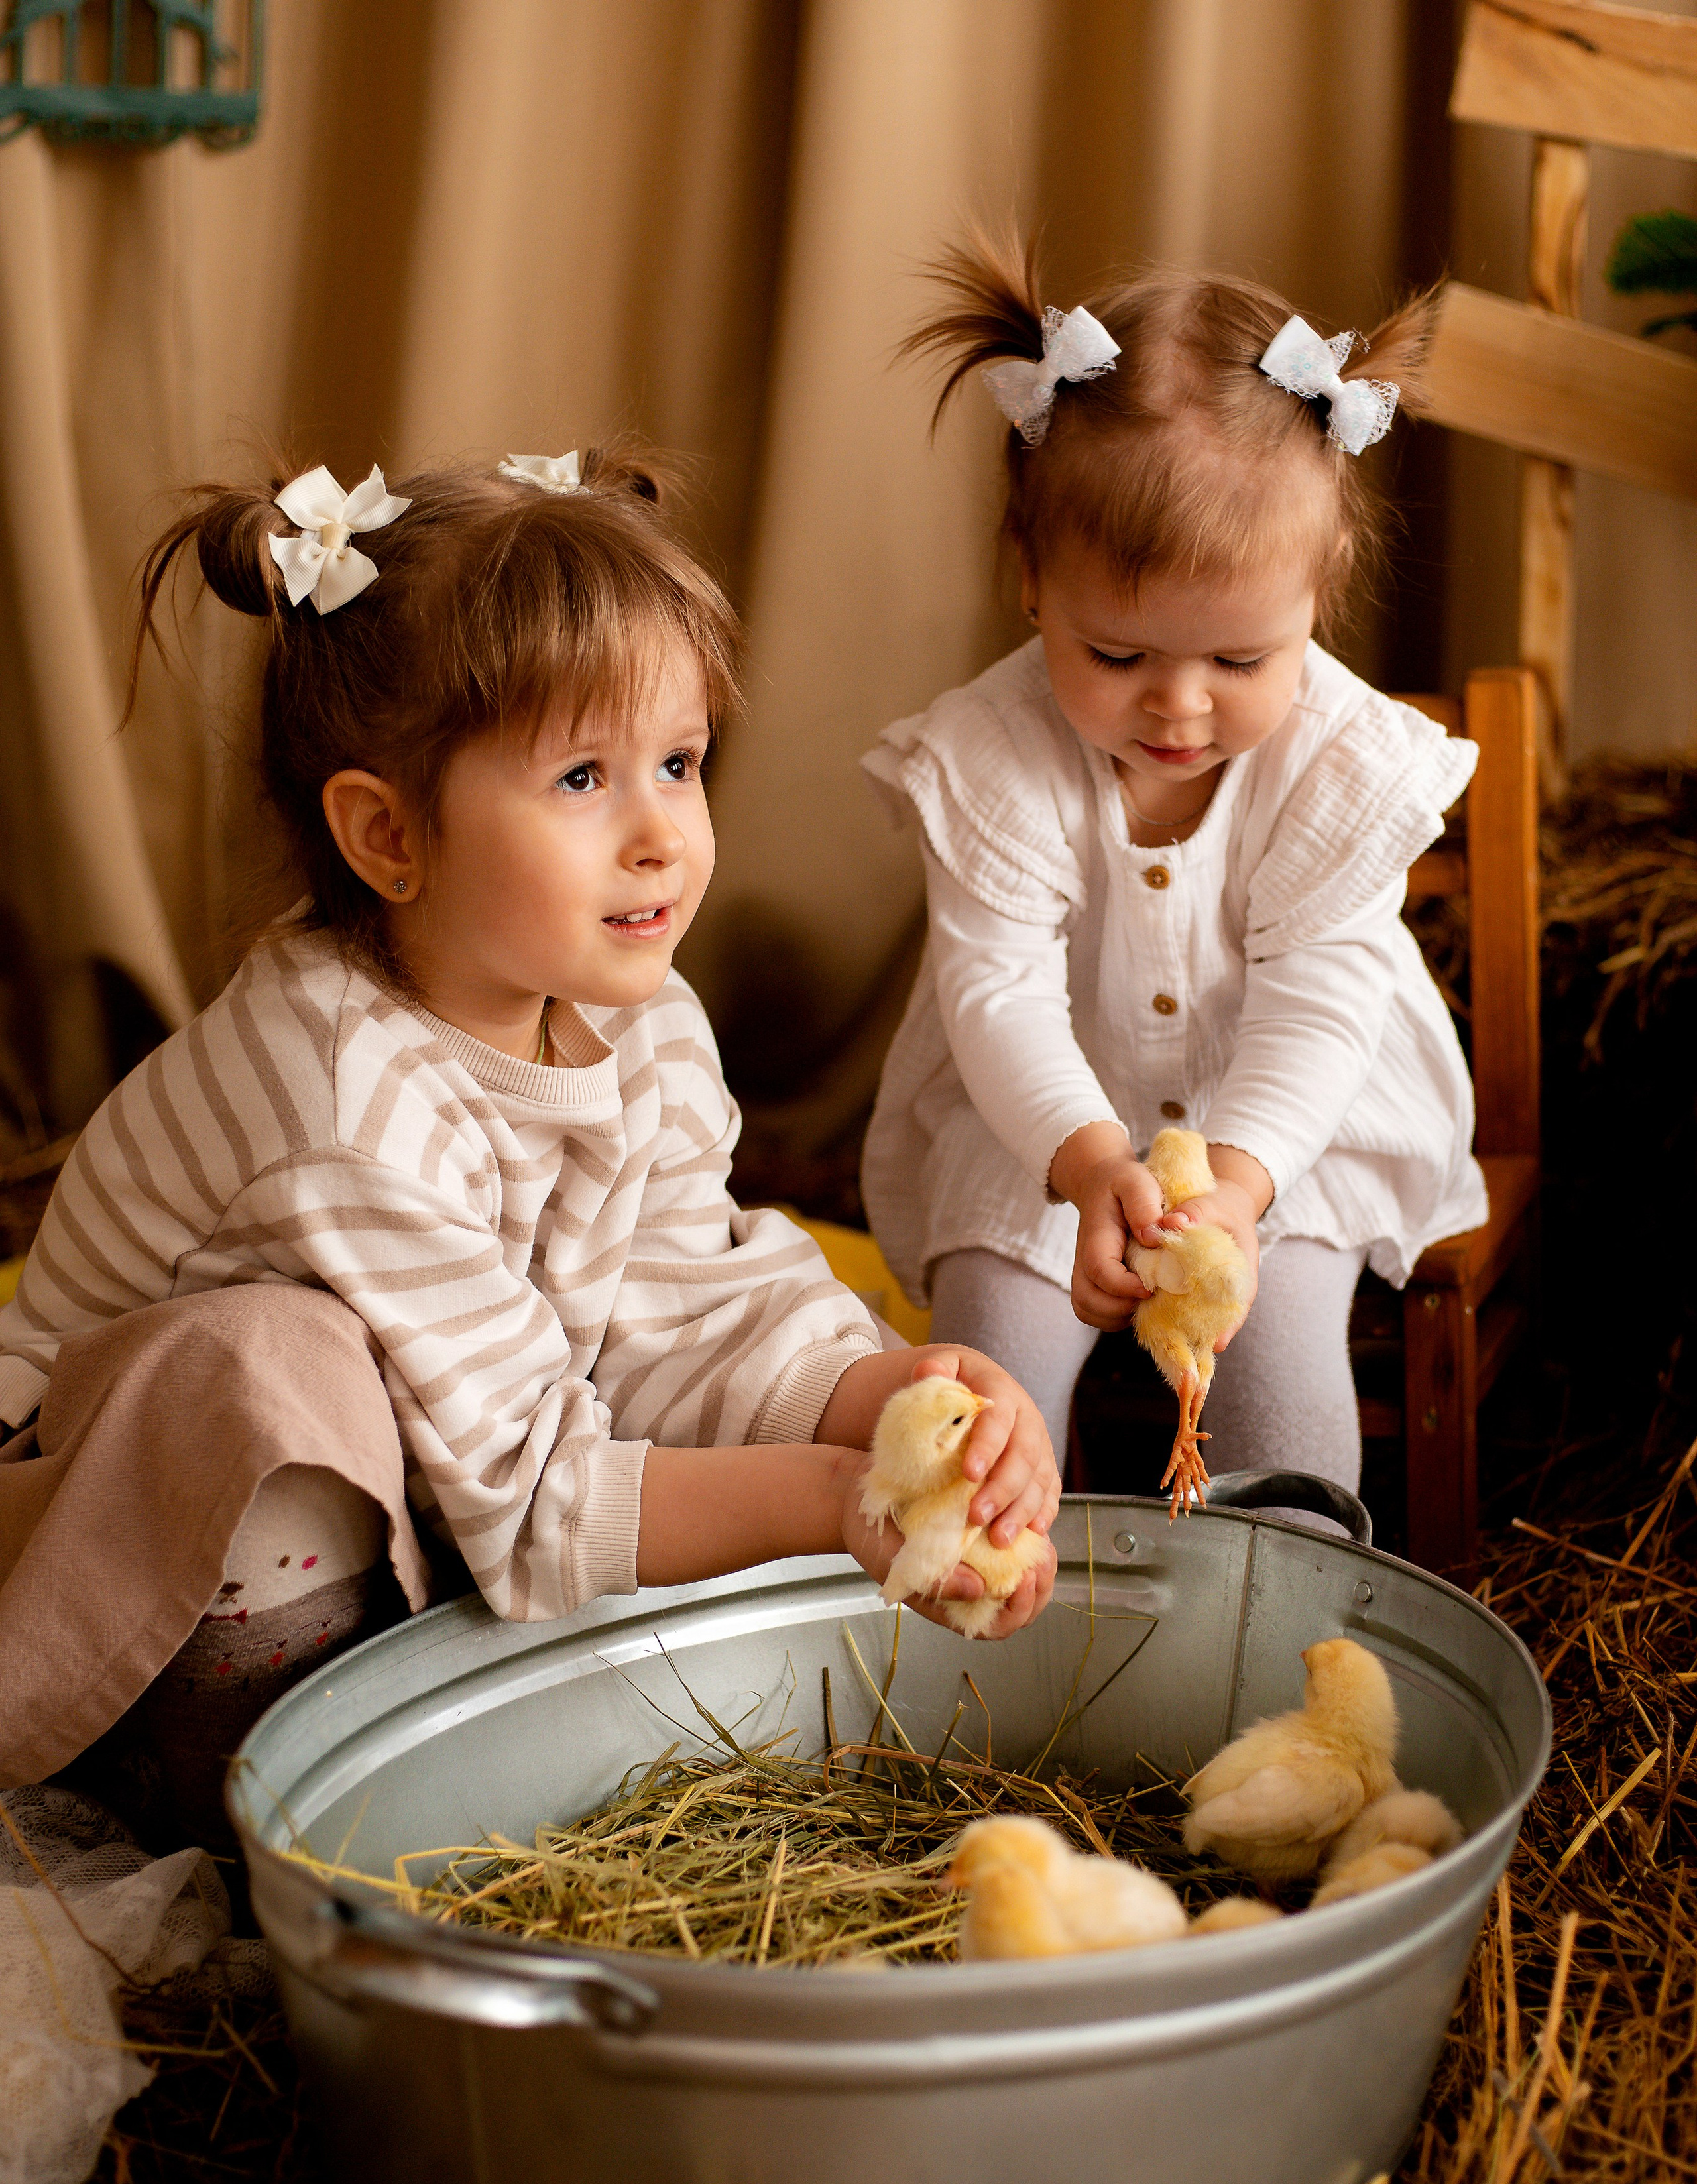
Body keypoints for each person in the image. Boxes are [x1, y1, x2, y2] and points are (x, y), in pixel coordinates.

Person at [0, 443, 1057, 1837]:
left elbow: (680, 1312)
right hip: (95, 1530)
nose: (661, 837)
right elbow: (540, 1499)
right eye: (580, 779)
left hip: (432, 1472)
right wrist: (840, 1503)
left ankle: (392, 1698)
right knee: (271, 1369)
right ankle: (230, 1810)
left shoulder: (643, 1018)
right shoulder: (345, 1102)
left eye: (677, 764)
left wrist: (896, 1397)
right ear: (387, 837)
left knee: (562, 1406)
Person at [861, 235, 1487, 1499]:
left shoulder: (1336, 766)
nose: (1180, 707)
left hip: (1287, 1139)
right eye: (1120, 654)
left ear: (1322, 594)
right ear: (1031, 580)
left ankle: (1289, 1592)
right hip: (1044, 1121)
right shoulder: (995, 758)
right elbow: (999, 998)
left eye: (1241, 664)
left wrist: (1239, 1194)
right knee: (985, 1349)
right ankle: (982, 1609)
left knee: (1280, 1345)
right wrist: (1092, 1167)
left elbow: (1321, 1003)